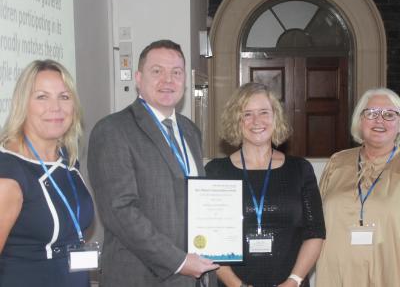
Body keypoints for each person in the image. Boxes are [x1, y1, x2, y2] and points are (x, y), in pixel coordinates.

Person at [87, 39, 219, 286]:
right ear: (138, 78)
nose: (168, 80)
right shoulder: (112, 130)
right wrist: (179, 261)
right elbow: (121, 211)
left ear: (185, 81)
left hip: (194, 276)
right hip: (141, 277)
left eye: (176, 73)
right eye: (157, 71)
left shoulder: (191, 131)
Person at [205, 82, 325, 287]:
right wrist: (236, 285)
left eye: (264, 112)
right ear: (237, 120)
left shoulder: (300, 169)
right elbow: (208, 238)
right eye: (247, 114)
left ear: (275, 117)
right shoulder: (216, 171)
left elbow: (315, 232)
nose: (256, 121)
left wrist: (294, 281)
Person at [0, 60, 94, 287]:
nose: (56, 108)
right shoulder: (9, 174)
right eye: (42, 97)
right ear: (23, 104)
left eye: (64, 97)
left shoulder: (67, 160)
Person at [315, 88, 400, 286]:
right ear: (359, 121)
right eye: (371, 113)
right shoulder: (337, 161)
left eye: (389, 114)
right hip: (336, 275)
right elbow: (315, 222)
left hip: (389, 275)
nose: (379, 120)